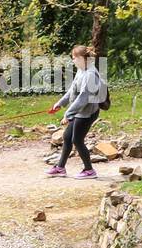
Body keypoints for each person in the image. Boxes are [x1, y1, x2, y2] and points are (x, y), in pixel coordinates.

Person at [46, 44, 107, 179]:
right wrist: (60, 103)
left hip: (87, 112)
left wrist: (68, 114)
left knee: (77, 140)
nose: (72, 60)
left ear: (81, 58)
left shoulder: (90, 74)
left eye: (74, 58)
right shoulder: (81, 70)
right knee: (67, 137)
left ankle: (89, 170)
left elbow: (83, 98)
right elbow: (72, 91)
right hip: (79, 110)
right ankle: (60, 168)